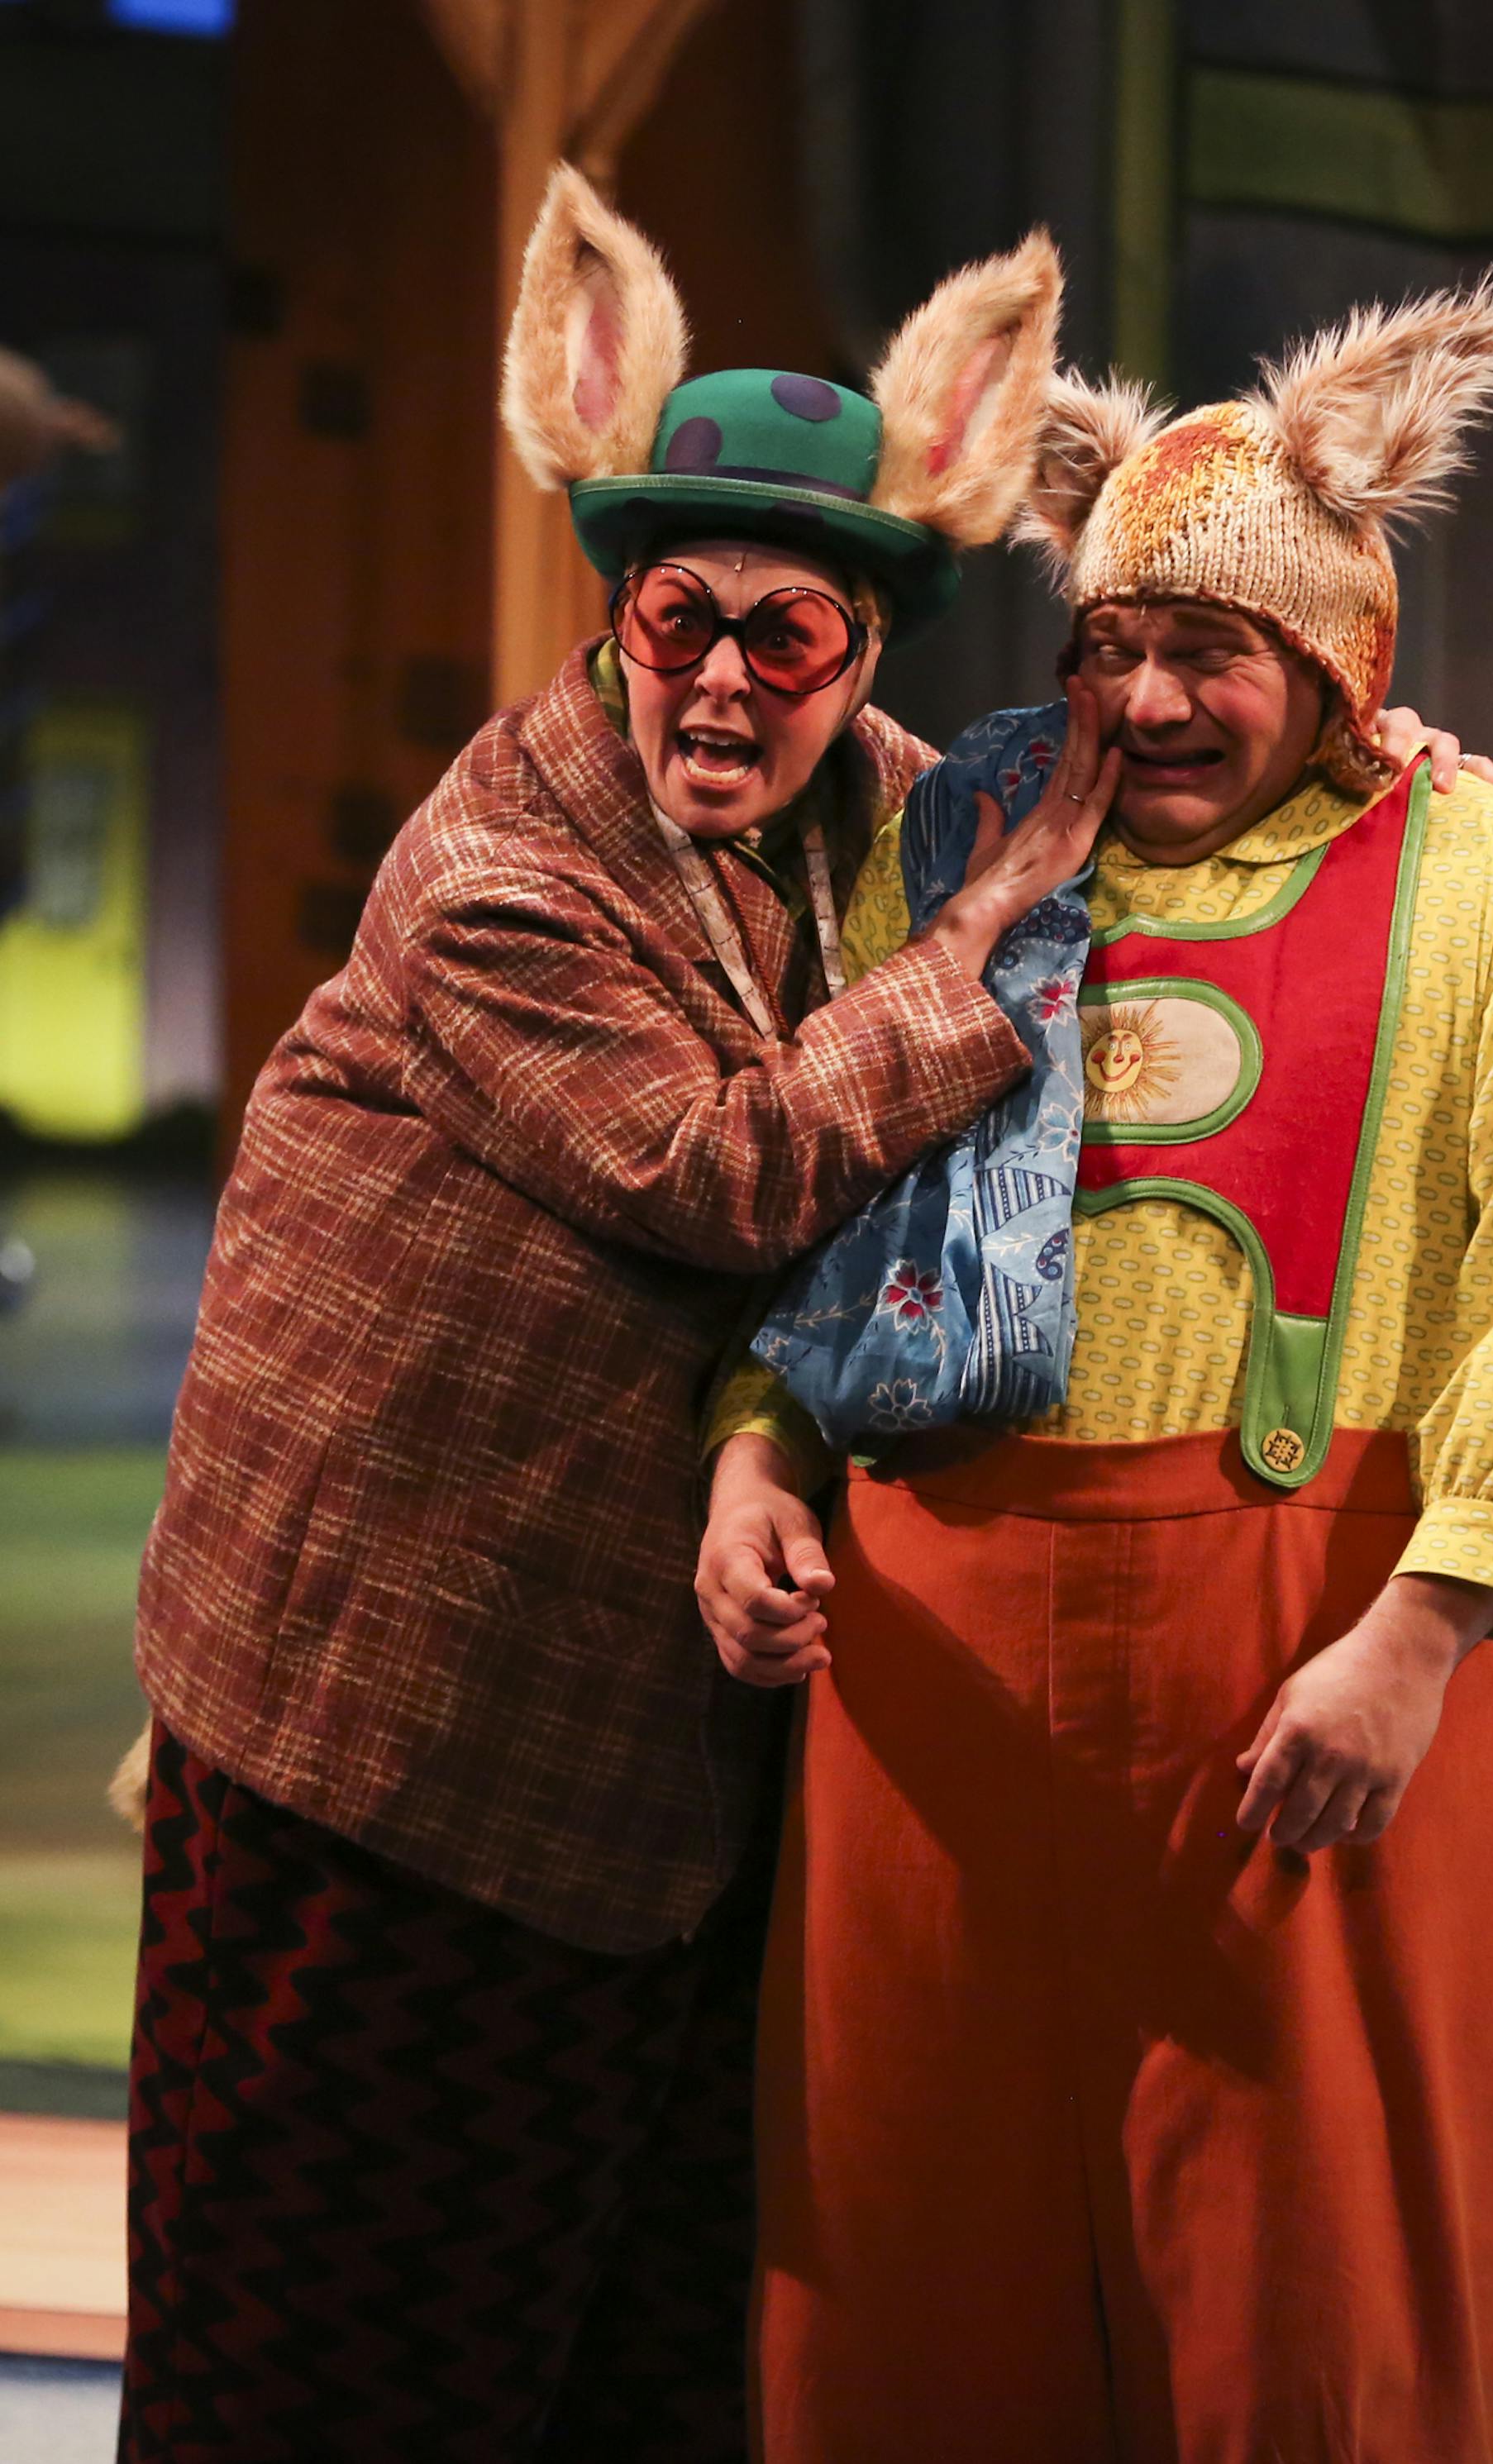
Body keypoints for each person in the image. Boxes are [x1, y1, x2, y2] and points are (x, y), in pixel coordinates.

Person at [117, 169, 1090, 2464]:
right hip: (392, 1756)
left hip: (642, 1800)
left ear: (865, 654)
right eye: (682, 622)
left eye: (788, 635)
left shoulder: (875, 814)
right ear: (616, 620)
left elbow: (1125, 828)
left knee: (623, 2370)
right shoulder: (503, 876)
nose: (727, 681)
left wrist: (1384, 784)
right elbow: (721, 1161)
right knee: (330, 2371)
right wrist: (974, 971)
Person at [699, 280, 1493, 2464]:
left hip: (1324, 1660)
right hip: (943, 1672)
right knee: (912, 2255)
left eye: (1211, 652)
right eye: (1111, 645)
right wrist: (759, 1460)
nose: (1144, 697)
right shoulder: (962, 866)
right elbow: (833, 1193)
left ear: (1337, 671)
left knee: (1315, 2286)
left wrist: (1425, 1630)